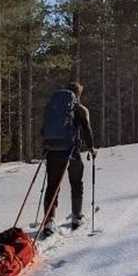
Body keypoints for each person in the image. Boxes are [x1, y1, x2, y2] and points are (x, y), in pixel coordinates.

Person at [40, 81, 96, 235]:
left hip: (52, 151)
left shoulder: (52, 107)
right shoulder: (79, 109)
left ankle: (49, 221)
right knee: (76, 183)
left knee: (52, 186)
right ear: (78, 93)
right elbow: (86, 129)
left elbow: (43, 130)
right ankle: (76, 216)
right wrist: (91, 148)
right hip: (71, 152)